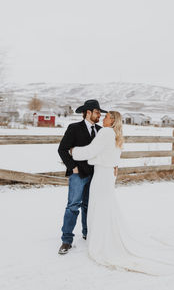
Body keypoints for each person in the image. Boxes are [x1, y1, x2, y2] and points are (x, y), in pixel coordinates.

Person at [71, 111, 174, 276]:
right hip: (109, 175)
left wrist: (73, 151)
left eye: (107, 117)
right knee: (106, 206)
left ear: (113, 120)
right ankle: (104, 236)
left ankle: (101, 241)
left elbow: (91, 151)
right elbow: (112, 156)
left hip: (101, 175)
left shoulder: (105, 132)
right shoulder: (115, 134)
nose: (103, 118)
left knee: (99, 206)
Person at [58, 99, 107, 255]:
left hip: (95, 175)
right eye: (97, 112)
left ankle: (87, 234)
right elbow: (62, 149)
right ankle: (66, 240)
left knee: (89, 206)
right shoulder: (74, 128)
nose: (100, 115)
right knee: (73, 206)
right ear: (88, 112)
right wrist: (73, 167)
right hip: (78, 175)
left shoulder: (101, 131)